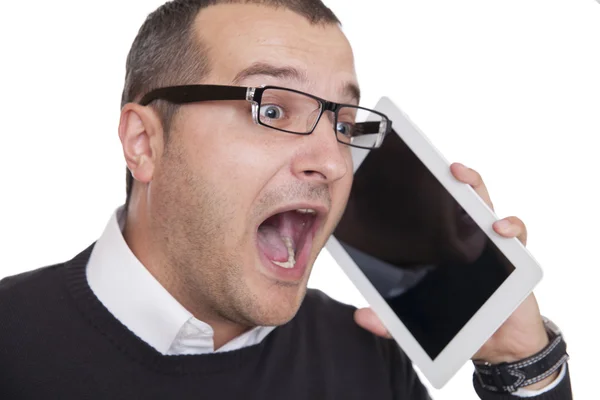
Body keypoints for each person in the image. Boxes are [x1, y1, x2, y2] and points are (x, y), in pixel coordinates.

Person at [0, 1, 571, 398]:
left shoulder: (367, 359)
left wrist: (517, 364)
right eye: (271, 110)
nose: (330, 161)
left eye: (345, 122)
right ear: (144, 142)